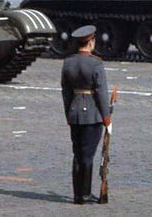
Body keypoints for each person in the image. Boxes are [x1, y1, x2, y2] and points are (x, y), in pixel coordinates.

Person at [61, 25, 111, 204]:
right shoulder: (96, 63)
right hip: (92, 114)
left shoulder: (68, 62)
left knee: (78, 154)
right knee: (88, 155)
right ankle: (85, 194)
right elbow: (101, 93)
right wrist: (106, 117)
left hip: (74, 113)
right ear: (91, 42)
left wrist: (68, 113)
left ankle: (78, 194)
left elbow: (66, 92)